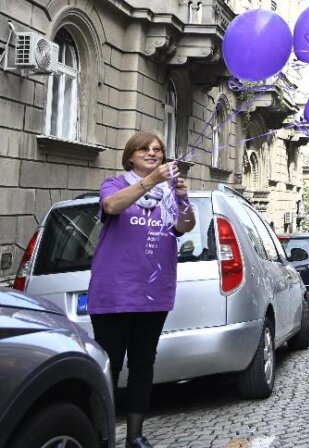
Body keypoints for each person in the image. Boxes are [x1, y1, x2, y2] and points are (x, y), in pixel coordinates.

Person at [90, 131, 196, 448]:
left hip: (154, 292)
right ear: (131, 156)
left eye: (158, 149)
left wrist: (184, 198)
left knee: (142, 365)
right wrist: (151, 182)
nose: (153, 152)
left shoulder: (169, 192)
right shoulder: (114, 184)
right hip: (115, 291)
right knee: (111, 364)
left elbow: (184, 226)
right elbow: (111, 206)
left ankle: (135, 436)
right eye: (145, 148)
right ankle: (102, 435)